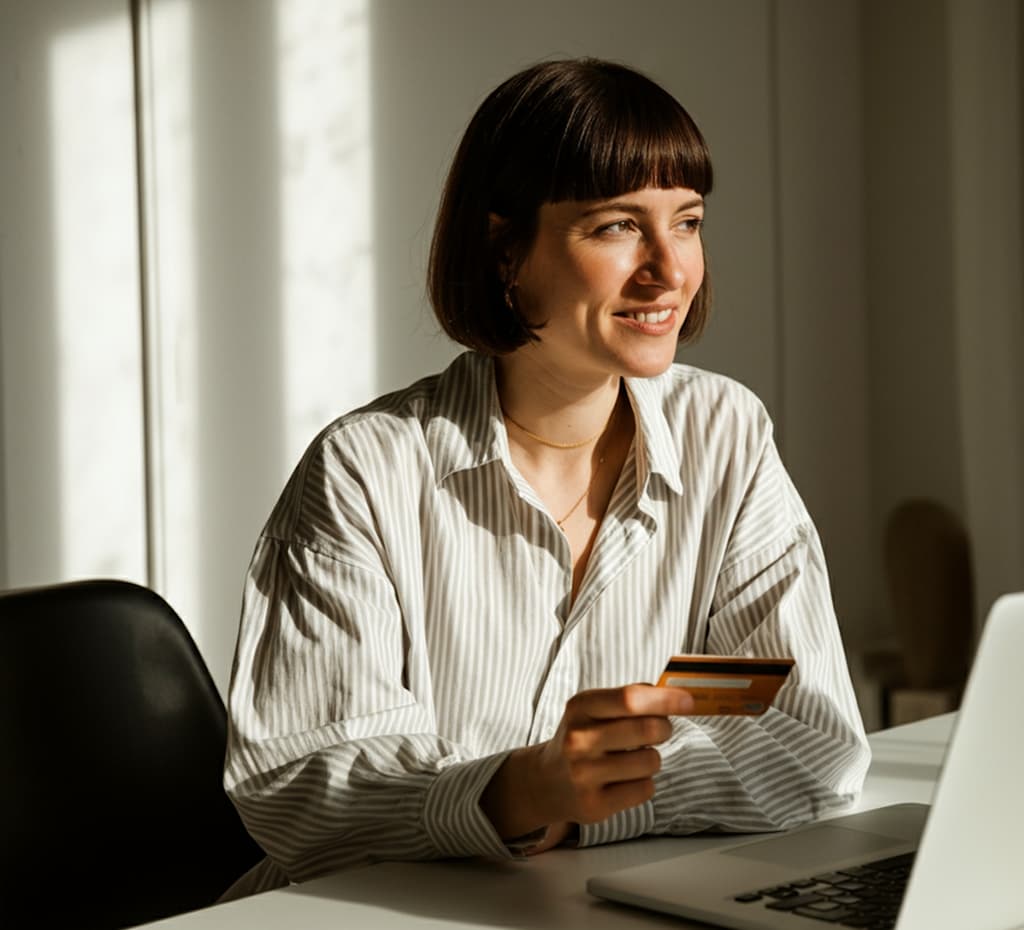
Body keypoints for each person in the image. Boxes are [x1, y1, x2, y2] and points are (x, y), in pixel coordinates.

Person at [222, 57, 870, 897]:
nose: (669, 270)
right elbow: (303, 782)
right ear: (505, 250)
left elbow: (805, 734)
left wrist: (590, 802)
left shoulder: (726, 438)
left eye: (687, 222)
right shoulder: (365, 471)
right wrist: (514, 791)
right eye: (615, 227)